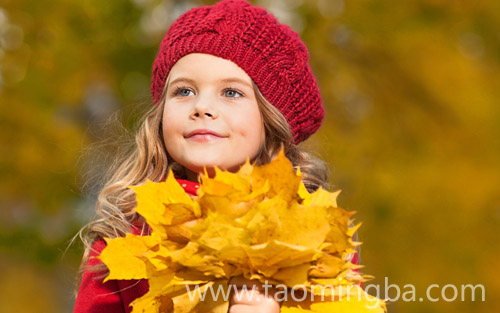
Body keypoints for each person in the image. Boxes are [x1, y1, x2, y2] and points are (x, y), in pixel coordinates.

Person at [74, 0, 357, 312]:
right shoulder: (126, 236)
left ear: (271, 122)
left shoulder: (312, 234)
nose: (201, 107)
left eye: (231, 93)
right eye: (184, 91)